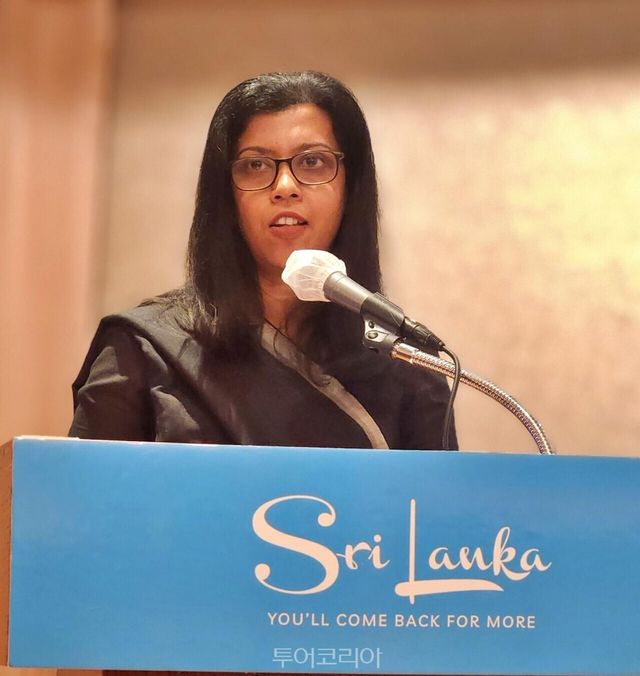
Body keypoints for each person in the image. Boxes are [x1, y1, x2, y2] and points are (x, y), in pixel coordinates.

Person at [70, 70, 456, 451]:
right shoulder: (142, 349)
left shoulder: (408, 364)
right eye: (255, 165)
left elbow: (434, 495)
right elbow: (82, 491)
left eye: (312, 162)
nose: (285, 187)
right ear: (226, 196)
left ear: (350, 188)